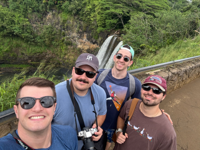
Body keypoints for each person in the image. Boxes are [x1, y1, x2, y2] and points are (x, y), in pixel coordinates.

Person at [0, 77, 78, 150]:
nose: (37, 109)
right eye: (27, 102)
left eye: (46, 101)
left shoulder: (68, 135)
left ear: (54, 108)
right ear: (16, 110)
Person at [53, 53, 107, 150]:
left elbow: (102, 113)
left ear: (95, 76)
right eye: (79, 71)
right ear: (73, 71)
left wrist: (96, 128)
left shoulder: (100, 93)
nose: (83, 77)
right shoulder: (54, 93)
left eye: (90, 74)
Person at [95, 44, 142, 150]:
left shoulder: (134, 84)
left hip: (112, 128)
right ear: (114, 57)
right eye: (119, 56)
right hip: (94, 123)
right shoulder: (100, 75)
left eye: (126, 58)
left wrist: (160, 113)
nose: (121, 60)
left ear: (130, 62)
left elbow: (140, 108)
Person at [114, 75, 177, 150]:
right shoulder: (130, 104)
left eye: (157, 91)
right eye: (146, 88)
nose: (150, 93)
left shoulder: (167, 132)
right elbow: (121, 117)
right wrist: (119, 131)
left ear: (163, 96)